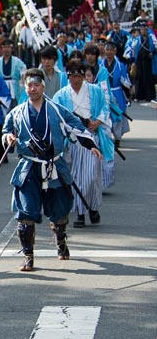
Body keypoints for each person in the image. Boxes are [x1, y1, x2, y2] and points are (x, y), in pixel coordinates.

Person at [2, 68, 101, 272]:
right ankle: (28, 255)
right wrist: (9, 139)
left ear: (43, 86)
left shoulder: (56, 110)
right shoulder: (17, 112)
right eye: (29, 85)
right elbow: (6, 131)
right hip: (28, 168)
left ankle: (60, 240)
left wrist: (91, 145)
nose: (32, 88)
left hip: (54, 165)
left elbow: (76, 127)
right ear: (25, 86)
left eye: (36, 85)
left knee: (59, 210)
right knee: (25, 213)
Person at [53, 61, 113, 227]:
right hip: (73, 139)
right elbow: (56, 116)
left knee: (91, 176)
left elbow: (104, 107)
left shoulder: (95, 91)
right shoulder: (61, 95)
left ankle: (92, 207)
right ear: (68, 76)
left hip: (91, 137)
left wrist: (98, 121)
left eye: (79, 76)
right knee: (76, 177)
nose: (76, 79)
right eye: (73, 76)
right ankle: (80, 212)